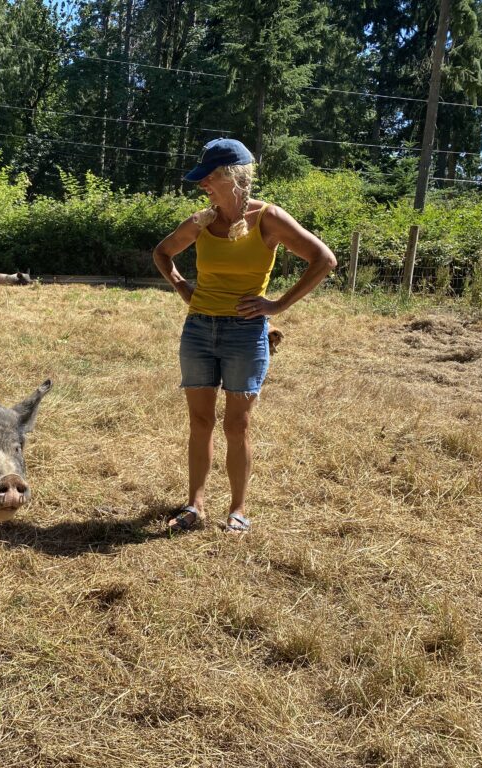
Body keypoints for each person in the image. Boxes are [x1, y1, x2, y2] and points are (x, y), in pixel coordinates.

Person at [152, 138, 336, 534]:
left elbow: (324, 260)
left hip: (246, 334)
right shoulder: (201, 221)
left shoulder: (268, 218)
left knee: (238, 426)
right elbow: (162, 253)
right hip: (199, 329)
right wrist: (182, 286)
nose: (203, 186)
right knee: (200, 422)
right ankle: (195, 505)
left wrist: (277, 305)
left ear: (233, 177)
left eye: (209, 178)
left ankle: (237, 510)